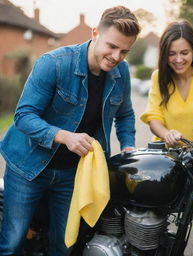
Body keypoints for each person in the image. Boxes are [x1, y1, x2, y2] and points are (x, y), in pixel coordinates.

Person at [0, 5, 140, 256]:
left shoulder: (122, 72)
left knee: (64, 247)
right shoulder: (53, 63)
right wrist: (64, 136)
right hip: (28, 168)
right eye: (112, 46)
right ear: (96, 33)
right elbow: (23, 116)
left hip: (73, 173)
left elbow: (126, 114)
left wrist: (128, 145)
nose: (117, 56)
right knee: (12, 243)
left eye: (124, 51)